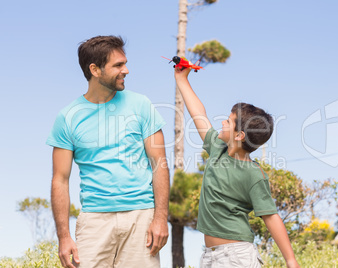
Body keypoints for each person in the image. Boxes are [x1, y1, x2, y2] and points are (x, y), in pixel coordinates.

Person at [47, 35, 170, 268]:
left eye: (125, 63)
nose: (126, 70)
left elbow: (159, 163)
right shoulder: (67, 118)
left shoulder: (141, 105)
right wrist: (64, 237)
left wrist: (160, 219)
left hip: (141, 217)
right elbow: (60, 180)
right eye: (118, 65)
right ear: (95, 69)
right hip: (94, 221)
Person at [174, 65, 300, 267]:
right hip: (210, 256)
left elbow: (271, 216)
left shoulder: (253, 174)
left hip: (236, 257)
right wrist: (182, 80)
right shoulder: (217, 148)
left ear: (239, 135)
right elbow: (199, 113)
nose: (223, 122)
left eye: (229, 121)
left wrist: (291, 260)